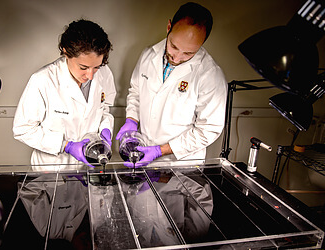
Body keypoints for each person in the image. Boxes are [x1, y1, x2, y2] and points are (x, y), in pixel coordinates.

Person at [116, 2, 227, 167]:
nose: (177, 57)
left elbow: (208, 130)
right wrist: (131, 119)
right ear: (169, 27)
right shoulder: (148, 56)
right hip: (143, 154)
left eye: (189, 53)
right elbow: (136, 92)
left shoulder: (210, 75)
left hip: (180, 164)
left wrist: (161, 150)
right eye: (174, 46)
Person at [13, 19, 116, 170]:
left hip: (88, 165)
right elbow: (23, 129)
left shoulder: (104, 73)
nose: (91, 75)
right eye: (83, 67)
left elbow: (104, 109)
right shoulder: (43, 80)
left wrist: (106, 130)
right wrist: (65, 146)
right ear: (66, 52)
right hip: (52, 168)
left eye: (96, 67)